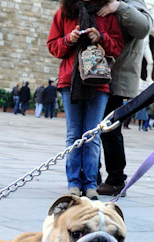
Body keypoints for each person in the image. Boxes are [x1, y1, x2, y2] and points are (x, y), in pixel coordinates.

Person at [48, 0, 123, 199]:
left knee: (92, 135)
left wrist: (102, 37)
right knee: (73, 135)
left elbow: (117, 47)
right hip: (69, 81)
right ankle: (73, 182)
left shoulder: (107, 12)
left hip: (98, 82)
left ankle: (90, 184)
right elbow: (53, 46)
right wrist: (68, 40)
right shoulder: (64, 12)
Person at [91, 0, 152, 196]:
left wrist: (119, 7)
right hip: (96, 75)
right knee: (93, 129)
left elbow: (143, 28)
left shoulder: (131, 4)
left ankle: (116, 179)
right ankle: (92, 177)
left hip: (114, 78)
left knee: (109, 132)